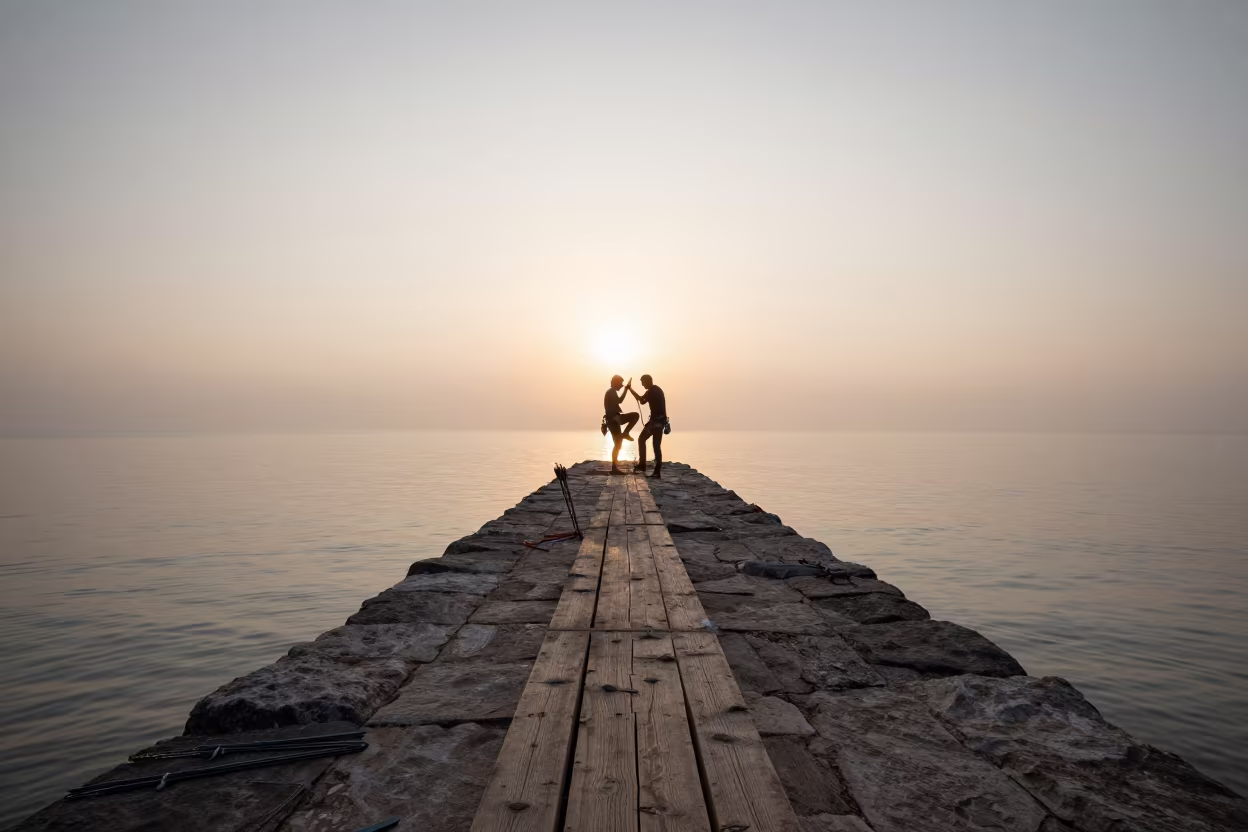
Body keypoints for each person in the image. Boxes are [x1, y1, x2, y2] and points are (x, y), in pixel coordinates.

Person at [629, 374, 667, 478]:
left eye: (643, 383)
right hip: (660, 421)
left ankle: (642, 465)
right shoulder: (658, 389)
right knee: (656, 446)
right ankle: (657, 471)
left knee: (642, 439)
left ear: (647, 381)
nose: (642, 385)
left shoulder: (651, 391)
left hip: (655, 422)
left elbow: (641, 401)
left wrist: (630, 389)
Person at [603, 375, 639, 475]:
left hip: (615, 419)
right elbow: (619, 401)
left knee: (618, 445)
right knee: (635, 416)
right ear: (615, 382)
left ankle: (614, 467)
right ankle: (614, 468)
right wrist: (626, 390)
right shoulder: (611, 392)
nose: (622, 385)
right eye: (621, 383)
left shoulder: (611, 392)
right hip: (613, 419)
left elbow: (617, 402)